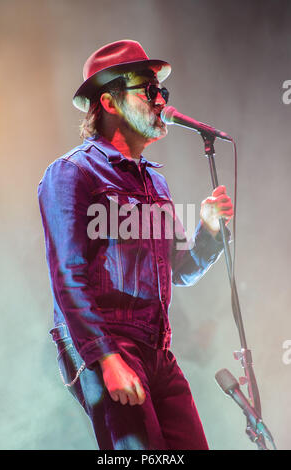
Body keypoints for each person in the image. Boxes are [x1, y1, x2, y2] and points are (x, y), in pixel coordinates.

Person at [38, 40, 233, 450]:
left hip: (158, 350)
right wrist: (106, 357)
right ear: (108, 102)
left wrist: (210, 231)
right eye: (149, 90)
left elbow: (179, 270)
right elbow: (68, 278)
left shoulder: (155, 182)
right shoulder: (71, 173)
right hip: (106, 340)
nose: (161, 100)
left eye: (164, 92)